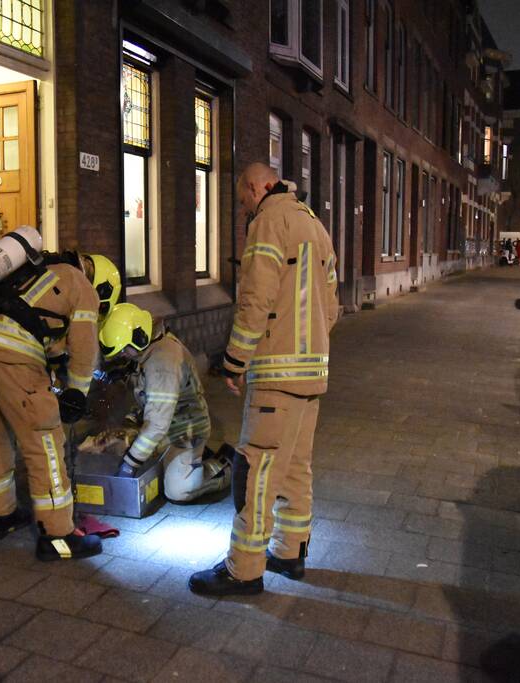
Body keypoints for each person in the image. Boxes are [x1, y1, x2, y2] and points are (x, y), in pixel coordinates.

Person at [189, 163, 338, 596]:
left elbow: (256, 299)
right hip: (312, 375)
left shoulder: (269, 221)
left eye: (242, 201)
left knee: (255, 470)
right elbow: (332, 307)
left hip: (275, 374)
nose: (244, 211)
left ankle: (244, 568)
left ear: (257, 187)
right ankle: (290, 552)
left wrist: (235, 360)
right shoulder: (316, 225)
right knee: (295, 467)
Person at [0, 227, 103, 561]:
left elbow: (43, 335)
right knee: (45, 444)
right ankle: (58, 535)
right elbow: (83, 345)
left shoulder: (30, 275)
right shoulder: (80, 285)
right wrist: (77, 392)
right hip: (12, 358)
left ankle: (0, 515)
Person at [98, 303, 231, 502]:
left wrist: (129, 465)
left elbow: (158, 424)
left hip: (184, 432)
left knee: (177, 489)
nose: (122, 355)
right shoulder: (149, 348)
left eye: (123, 351)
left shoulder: (163, 362)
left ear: (139, 338)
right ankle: (186, 459)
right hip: (165, 424)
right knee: (131, 451)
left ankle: (222, 465)